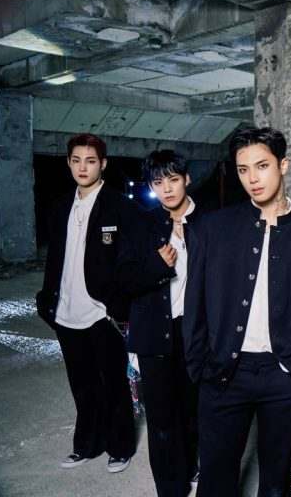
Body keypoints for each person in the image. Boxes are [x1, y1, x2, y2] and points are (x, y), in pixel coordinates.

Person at [182, 127, 291, 497]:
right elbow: (195, 308)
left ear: (283, 165)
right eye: (243, 169)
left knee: (276, 483)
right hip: (223, 373)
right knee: (215, 481)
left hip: (285, 375)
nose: (252, 178)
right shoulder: (211, 230)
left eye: (262, 166)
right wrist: (199, 366)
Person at [35, 133, 141, 473]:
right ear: (68, 163)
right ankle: (86, 445)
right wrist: (47, 302)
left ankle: (120, 447)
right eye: (77, 160)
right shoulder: (60, 206)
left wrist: (118, 303)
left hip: (101, 313)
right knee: (82, 385)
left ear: (103, 164)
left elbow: (131, 260)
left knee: (113, 385)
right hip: (65, 311)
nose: (83, 167)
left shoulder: (119, 206)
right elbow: (54, 260)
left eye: (91, 161)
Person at [126, 150, 202, 496]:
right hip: (154, 334)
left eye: (173, 180)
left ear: (186, 179)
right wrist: (157, 267)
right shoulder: (142, 224)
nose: (167, 189)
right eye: (158, 182)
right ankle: (170, 488)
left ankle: (191, 467)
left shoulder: (209, 223)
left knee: (193, 410)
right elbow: (122, 280)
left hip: (195, 333)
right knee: (161, 418)